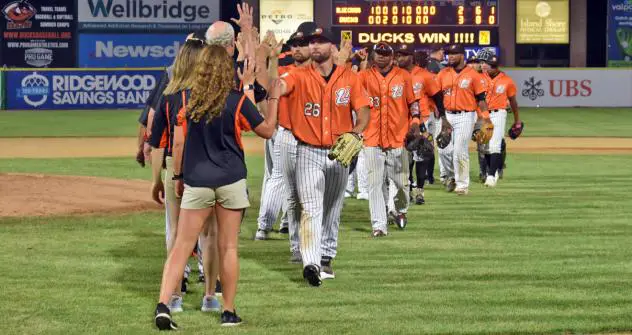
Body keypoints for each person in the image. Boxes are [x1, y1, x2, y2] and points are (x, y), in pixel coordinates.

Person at [154, 41, 281, 328]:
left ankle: (164, 305)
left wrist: (178, 177)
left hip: (197, 180)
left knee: (181, 246)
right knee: (228, 247)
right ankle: (228, 311)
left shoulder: (186, 99)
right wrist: (273, 99)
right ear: (226, 70)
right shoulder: (236, 101)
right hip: (230, 180)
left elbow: (179, 142)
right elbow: (268, 131)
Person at [278, 27, 371, 286]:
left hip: (338, 153)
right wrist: (262, 64)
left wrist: (356, 132)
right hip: (307, 150)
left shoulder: (350, 78)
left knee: (332, 208)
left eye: (320, 41)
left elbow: (363, 111)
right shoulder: (298, 75)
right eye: (312, 42)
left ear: (333, 47)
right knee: (311, 207)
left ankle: (326, 256)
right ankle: (311, 262)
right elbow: (281, 86)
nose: (314, 46)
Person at [148, 34, 222, 314]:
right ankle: (210, 298)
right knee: (210, 234)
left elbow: (158, 143)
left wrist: (157, 180)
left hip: (175, 170)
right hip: (207, 169)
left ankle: (175, 297)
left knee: (177, 234)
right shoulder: (214, 96)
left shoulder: (169, 98)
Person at [358, 42, 420, 236]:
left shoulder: (404, 77)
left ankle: (400, 210)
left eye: (385, 53)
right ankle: (379, 224)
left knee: (402, 182)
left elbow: (413, 103)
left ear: (392, 57)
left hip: (398, 137)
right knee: (374, 183)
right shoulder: (363, 77)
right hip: (371, 138)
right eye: (378, 53)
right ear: (373, 55)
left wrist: (416, 122)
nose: (382, 56)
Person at [435, 44, 491, 195]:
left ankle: (462, 185)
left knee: (460, 150)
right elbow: (437, 96)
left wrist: (486, 118)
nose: (450, 56)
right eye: (448, 53)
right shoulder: (443, 73)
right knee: (443, 150)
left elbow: (481, 99)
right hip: (446, 116)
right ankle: (452, 176)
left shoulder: (473, 75)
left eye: (454, 53)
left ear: (462, 55)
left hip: (465, 116)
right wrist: (440, 116)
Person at [395, 46, 445, 205]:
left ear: (411, 57)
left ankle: (420, 191)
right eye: (398, 55)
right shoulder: (395, 75)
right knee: (405, 159)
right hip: (401, 122)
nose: (400, 58)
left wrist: (443, 118)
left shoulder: (425, 75)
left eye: (403, 55)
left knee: (422, 155)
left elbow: (438, 97)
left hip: (423, 120)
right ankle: (408, 188)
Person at [477, 50, 521, 187]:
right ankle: (493, 171)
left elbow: (513, 102)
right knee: (485, 147)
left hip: (498, 114)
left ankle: (491, 175)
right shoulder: (479, 78)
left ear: (494, 65)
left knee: (495, 145)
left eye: (486, 63)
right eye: (482, 63)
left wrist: (517, 120)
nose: (483, 65)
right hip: (482, 115)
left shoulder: (507, 81)